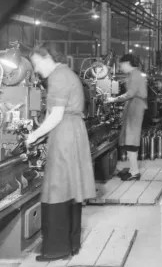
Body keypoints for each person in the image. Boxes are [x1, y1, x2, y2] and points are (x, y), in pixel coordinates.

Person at [26, 43, 96, 262]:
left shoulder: (58, 77)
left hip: (65, 133)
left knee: (57, 188)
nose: (36, 70)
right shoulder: (67, 73)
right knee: (70, 189)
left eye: (37, 64)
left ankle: (56, 249)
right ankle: (71, 244)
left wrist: (33, 135)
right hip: (72, 132)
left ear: (47, 57)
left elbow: (55, 116)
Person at [106, 54, 147, 181]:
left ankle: (134, 172)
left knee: (131, 139)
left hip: (135, 107)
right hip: (133, 106)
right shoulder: (134, 74)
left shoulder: (135, 75)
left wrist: (113, 99)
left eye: (122, 64)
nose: (120, 66)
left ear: (128, 63)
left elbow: (131, 93)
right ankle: (132, 170)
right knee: (130, 139)